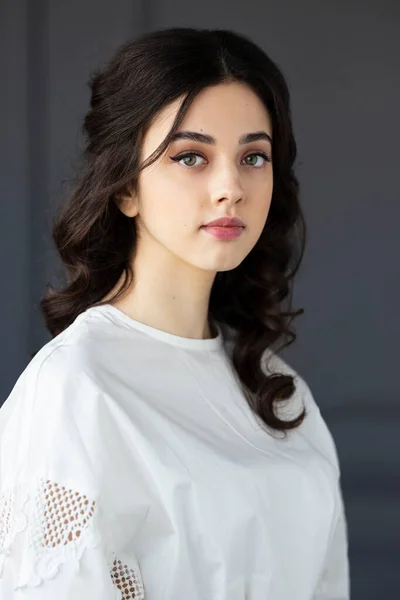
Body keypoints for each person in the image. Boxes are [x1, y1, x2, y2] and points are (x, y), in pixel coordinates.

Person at [0, 26, 350, 600]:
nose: (230, 186)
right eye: (191, 156)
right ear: (125, 188)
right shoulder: (78, 388)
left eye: (253, 156)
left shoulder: (280, 391)